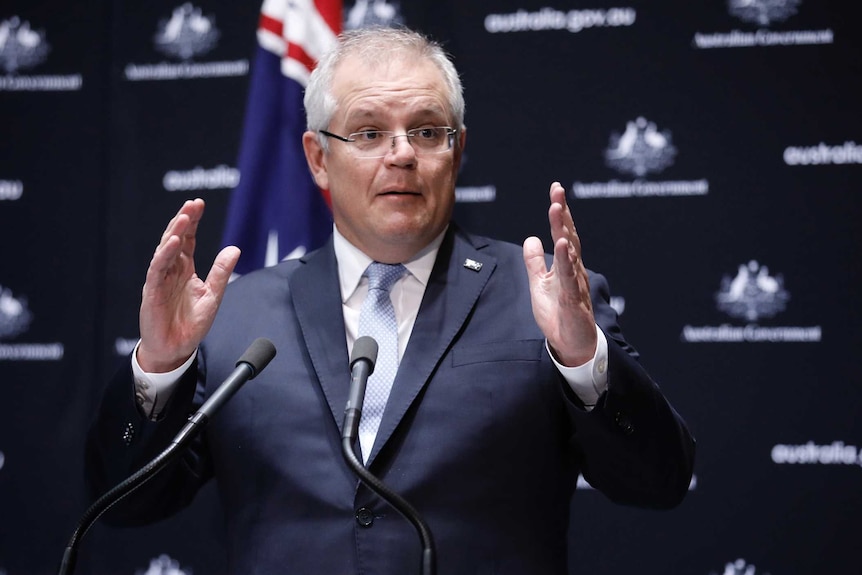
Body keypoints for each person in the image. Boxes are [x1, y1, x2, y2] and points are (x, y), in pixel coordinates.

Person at [87, 26, 695, 575]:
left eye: (427, 131)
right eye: (370, 131)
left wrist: (584, 363)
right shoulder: (234, 315)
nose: (401, 153)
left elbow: (660, 481)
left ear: (456, 151)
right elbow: (126, 501)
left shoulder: (543, 298)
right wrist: (159, 369)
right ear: (318, 158)